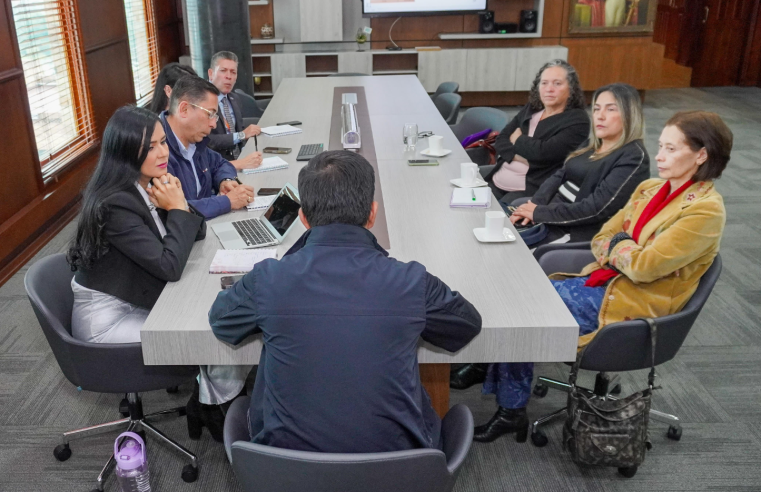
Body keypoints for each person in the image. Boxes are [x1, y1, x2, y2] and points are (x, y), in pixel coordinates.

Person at [458, 111, 732, 443]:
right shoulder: (650, 189)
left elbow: (645, 268)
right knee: (521, 297)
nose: (659, 156)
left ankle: (510, 410)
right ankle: (501, 389)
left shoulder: (705, 211)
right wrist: (624, 247)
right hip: (606, 281)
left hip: (636, 304)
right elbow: (604, 236)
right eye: (661, 146)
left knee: (524, 309)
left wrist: (621, 247)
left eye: (671, 149)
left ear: (701, 155)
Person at [208, 150, 483, 453]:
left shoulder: (269, 279)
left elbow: (221, 320)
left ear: (302, 218)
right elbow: (466, 324)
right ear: (373, 213)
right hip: (401, 469)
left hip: (285, 469)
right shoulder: (411, 281)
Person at [507, 83, 650, 247]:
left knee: (511, 249)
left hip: (574, 231)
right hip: (553, 214)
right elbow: (560, 174)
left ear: (629, 115)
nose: (600, 116)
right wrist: (535, 204)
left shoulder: (634, 157)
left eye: (610, 109)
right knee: (505, 227)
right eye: (596, 109)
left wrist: (540, 213)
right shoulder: (593, 144)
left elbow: (596, 209)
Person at [481, 60, 590, 206]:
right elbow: (502, 139)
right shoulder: (533, 108)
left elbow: (543, 153)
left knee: (492, 218)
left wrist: (518, 139)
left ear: (571, 89)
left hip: (531, 189)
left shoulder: (578, 120)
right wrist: (519, 156)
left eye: (557, 84)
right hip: (499, 177)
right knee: (468, 207)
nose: (549, 89)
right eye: (544, 83)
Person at [161, 75, 255, 219]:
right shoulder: (157, 151)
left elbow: (220, 163)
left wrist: (226, 180)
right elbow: (178, 209)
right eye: (210, 114)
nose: (214, 124)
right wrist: (228, 201)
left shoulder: (196, 141)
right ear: (184, 109)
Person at [206, 51, 263, 171]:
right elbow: (208, 140)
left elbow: (239, 132)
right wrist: (242, 135)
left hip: (241, 161)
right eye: (223, 71)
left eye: (233, 72)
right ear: (211, 74)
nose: (229, 76)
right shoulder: (202, 101)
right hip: (218, 167)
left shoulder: (234, 99)